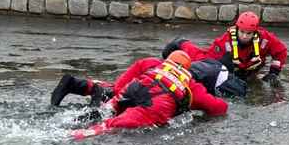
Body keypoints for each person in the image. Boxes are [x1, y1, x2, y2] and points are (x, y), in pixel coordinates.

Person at [69, 50, 228, 141]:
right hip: (158, 102)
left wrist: (116, 94)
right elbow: (219, 108)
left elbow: (119, 86)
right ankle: (73, 136)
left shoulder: (153, 64)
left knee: (105, 111)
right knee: (112, 125)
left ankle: (72, 122)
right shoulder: (191, 85)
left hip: (137, 87)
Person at [51, 53, 246, 108]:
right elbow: (218, 107)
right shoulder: (194, 84)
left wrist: (119, 88)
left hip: (151, 69)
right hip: (165, 86)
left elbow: (181, 44)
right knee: (123, 103)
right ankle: (97, 105)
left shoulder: (203, 59)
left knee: (117, 90)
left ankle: (77, 84)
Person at [163, 11, 288, 84]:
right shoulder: (225, 42)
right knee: (200, 60)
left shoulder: (265, 39)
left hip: (248, 70)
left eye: (248, 33)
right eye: (242, 32)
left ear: (255, 32)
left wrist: (274, 72)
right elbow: (209, 63)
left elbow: (281, 52)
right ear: (237, 29)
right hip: (228, 64)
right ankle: (182, 43)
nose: (244, 36)